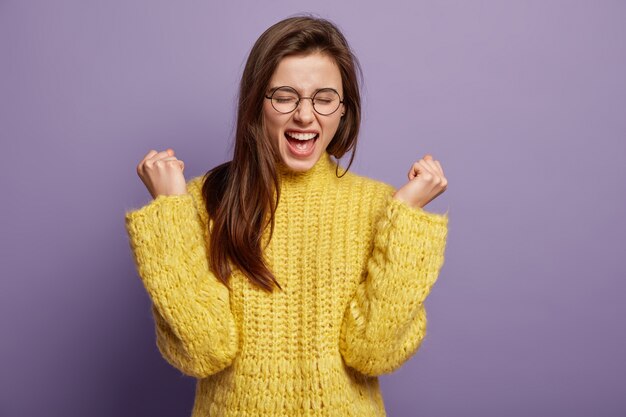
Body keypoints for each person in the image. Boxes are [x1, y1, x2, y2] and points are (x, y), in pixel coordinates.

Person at [124, 14, 449, 417]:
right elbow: (201, 352)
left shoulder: (383, 207)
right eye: (284, 95)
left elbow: (375, 353)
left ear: (344, 110)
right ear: (256, 102)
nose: (305, 115)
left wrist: (408, 218)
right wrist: (170, 210)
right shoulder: (204, 201)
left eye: (324, 98)